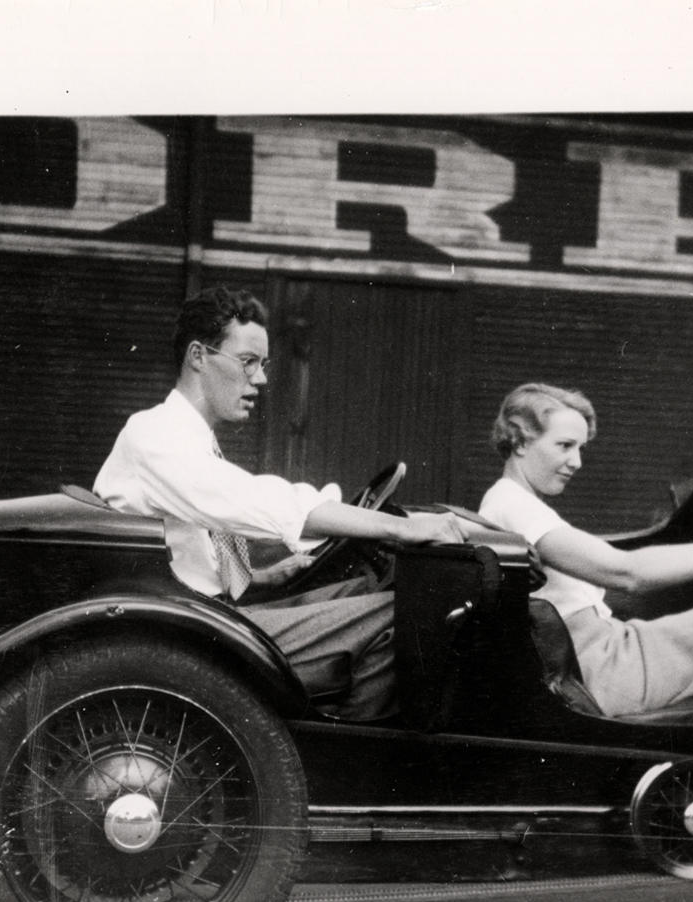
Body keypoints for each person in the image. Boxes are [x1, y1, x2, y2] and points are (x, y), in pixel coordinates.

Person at [94, 285, 466, 720]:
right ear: (198, 356)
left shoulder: (191, 441)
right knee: (400, 615)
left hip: (202, 616)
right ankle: (342, 761)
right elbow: (250, 500)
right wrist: (400, 528)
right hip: (185, 639)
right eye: (248, 362)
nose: (262, 379)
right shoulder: (154, 435)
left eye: (263, 364)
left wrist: (266, 578)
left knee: (367, 590)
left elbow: (195, 552)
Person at [478, 383, 693, 719]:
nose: (577, 462)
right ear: (520, 440)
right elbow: (627, 572)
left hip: (589, 659)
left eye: (580, 449)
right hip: (595, 672)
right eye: (565, 445)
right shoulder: (515, 507)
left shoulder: (511, 503)